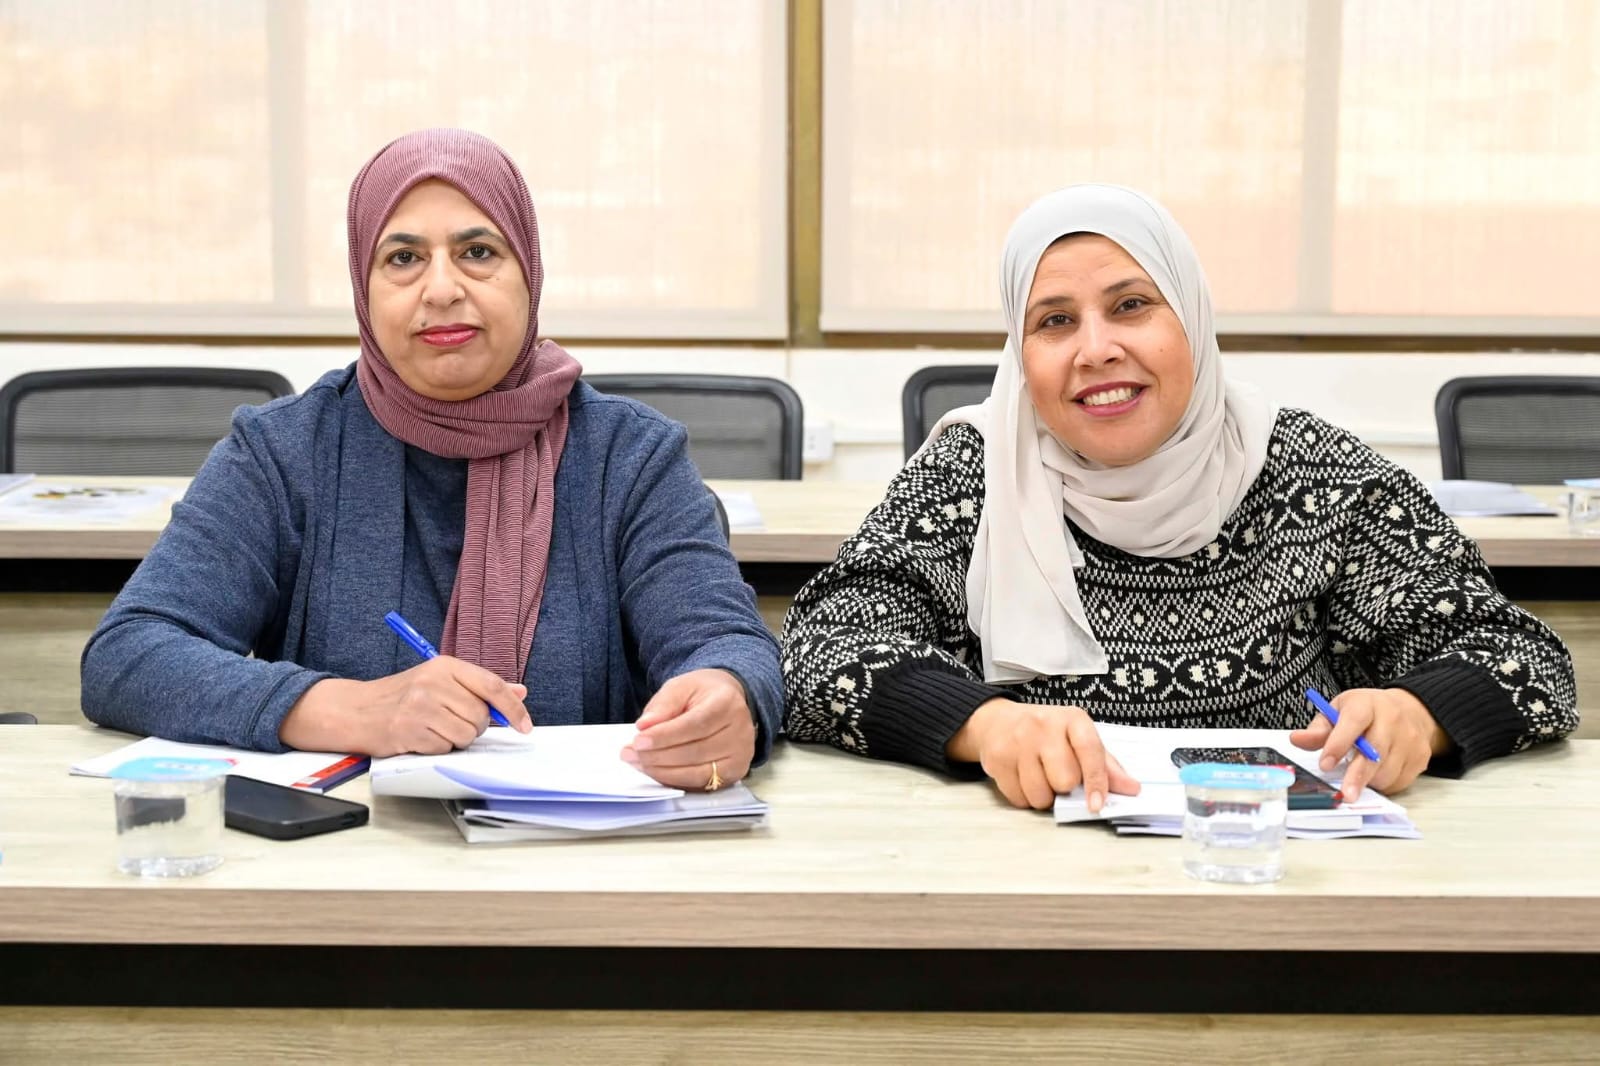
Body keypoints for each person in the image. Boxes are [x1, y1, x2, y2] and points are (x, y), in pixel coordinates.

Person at [781, 184, 1576, 810]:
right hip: (1035, 880)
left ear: (1191, 316)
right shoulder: (974, 470)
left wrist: (1418, 714)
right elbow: (821, 648)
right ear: (1020, 355)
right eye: (1055, 321)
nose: (1097, 349)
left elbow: (1522, 656)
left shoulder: (1314, 472)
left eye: (1131, 305)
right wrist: (983, 725)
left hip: (1277, 871)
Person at [82, 128, 779, 792]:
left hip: (590, 851)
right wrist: (346, 709)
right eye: (403, 258)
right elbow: (129, 653)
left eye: (477, 251)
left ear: (529, 273)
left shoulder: (631, 454)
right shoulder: (284, 451)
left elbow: (727, 643)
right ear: (364, 288)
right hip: (342, 847)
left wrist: (729, 695)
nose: (441, 288)